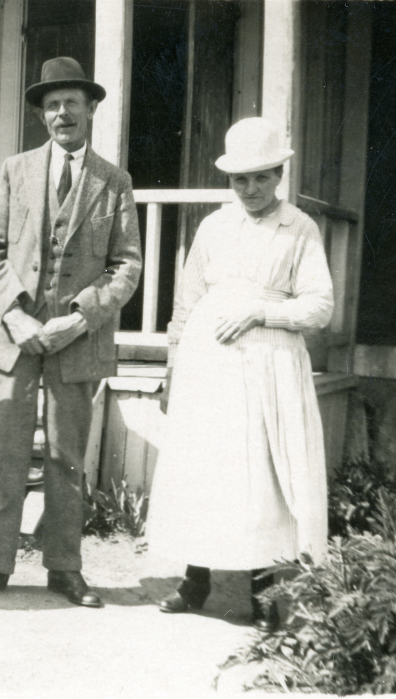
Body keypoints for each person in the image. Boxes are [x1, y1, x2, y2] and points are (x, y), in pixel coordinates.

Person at [0, 57, 142, 605]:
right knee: (6, 455)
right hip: (12, 339)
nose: (63, 113)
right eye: (53, 104)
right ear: (42, 114)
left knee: (65, 459)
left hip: (75, 343)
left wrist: (81, 316)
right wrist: (13, 312)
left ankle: (65, 567)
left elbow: (126, 265)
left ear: (91, 110)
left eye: (73, 103)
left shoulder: (114, 181)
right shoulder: (15, 170)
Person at [147, 117, 333, 632]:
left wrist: (260, 313)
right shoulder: (213, 227)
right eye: (240, 180)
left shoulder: (298, 228)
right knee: (208, 470)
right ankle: (195, 580)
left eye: (262, 177)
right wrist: (173, 369)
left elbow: (319, 307)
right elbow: (185, 306)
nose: (251, 190)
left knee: (260, 478)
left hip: (269, 365)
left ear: (279, 175)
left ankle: (262, 594)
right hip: (210, 368)